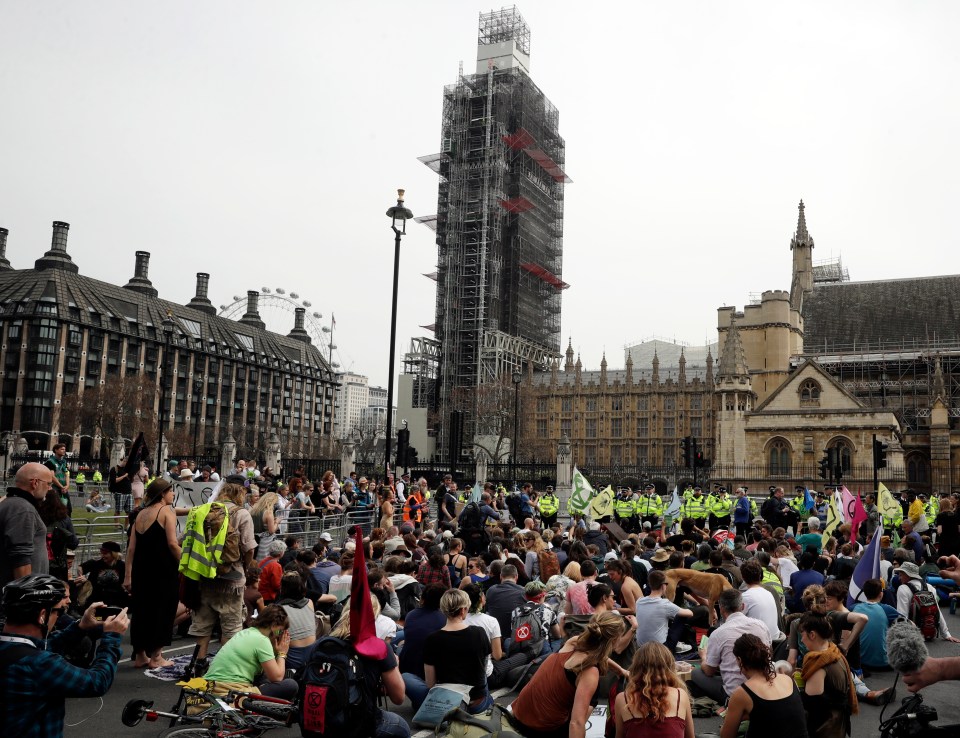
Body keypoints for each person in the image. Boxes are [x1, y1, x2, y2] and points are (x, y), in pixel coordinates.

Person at [0, 574, 129, 737]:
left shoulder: (15, 651)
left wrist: (81, 626)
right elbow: (98, 681)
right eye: (59, 612)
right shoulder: (39, 663)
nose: (60, 616)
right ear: (42, 615)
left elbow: (46, 646)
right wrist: (111, 638)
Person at [510, 611, 626, 738]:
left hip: (519, 713)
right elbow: (576, 723)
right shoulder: (589, 672)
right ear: (614, 640)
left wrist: (620, 670)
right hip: (540, 728)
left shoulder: (574, 642)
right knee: (590, 701)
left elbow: (599, 654)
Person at [189, 478, 258, 661]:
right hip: (232, 578)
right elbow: (249, 547)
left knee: (203, 623)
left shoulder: (204, 511)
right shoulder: (242, 514)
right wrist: (246, 566)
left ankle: (199, 663)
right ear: (240, 492)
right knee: (231, 625)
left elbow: (184, 539)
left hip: (204, 574)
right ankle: (223, 666)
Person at [123, 478, 182, 668]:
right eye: (171, 491)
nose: (173, 494)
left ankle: (140, 654)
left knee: (141, 611)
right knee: (163, 610)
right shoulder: (166, 512)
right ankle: (157, 656)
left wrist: (127, 575)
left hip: (142, 570)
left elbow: (131, 548)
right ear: (163, 494)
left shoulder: (140, 514)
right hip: (163, 569)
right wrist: (186, 563)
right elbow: (173, 544)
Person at [403, 589, 492, 713]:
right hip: (477, 701)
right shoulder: (480, 633)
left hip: (446, 701)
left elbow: (430, 684)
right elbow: (484, 670)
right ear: (462, 610)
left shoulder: (432, 639)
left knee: (406, 677)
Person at [690, 588, 771, 705]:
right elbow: (769, 654)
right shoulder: (761, 625)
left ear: (721, 608)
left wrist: (703, 657)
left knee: (696, 673)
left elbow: (709, 671)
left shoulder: (719, 633)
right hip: (763, 685)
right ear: (742, 606)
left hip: (736, 692)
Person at [201, 604, 298, 699]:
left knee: (264, 676)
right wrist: (282, 653)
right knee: (291, 685)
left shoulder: (246, 632)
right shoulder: (262, 640)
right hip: (229, 690)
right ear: (273, 625)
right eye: (280, 631)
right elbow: (277, 677)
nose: (279, 635)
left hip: (210, 686)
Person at [720, 634, 807, 738]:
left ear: (739, 660)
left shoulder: (742, 693)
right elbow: (780, 712)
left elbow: (726, 736)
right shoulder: (788, 680)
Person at [614, 641, 695, 738]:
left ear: (636, 667)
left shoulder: (622, 699)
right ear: (668, 667)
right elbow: (690, 736)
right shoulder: (680, 695)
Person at [797, 612, 858, 738]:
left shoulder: (819, 663)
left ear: (812, 634)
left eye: (802, 635)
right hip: (839, 724)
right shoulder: (835, 652)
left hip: (826, 728)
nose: (802, 640)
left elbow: (811, 704)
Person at [0, 463, 51, 586]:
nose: (50, 488)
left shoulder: (12, 503)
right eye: (48, 484)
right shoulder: (22, 508)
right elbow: (20, 557)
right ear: (35, 483)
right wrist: (27, 597)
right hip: (20, 597)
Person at [634, 569, 694, 651]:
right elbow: (690, 613)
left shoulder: (639, 601)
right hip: (660, 649)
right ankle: (680, 643)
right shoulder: (665, 604)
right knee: (682, 616)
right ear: (663, 585)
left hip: (641, 647)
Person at [43, 444, 71, 515]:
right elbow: (52, 476)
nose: (64, 451)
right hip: (54, 488)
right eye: (62, 449)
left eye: (64, 449)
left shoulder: (64, 462)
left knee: (68, 508)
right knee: (55, 508)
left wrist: (67, 485)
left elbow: (67, 474)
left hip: (64, 488)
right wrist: (61, 486)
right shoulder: (50, 462)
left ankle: (66, 523)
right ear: (56, 450)